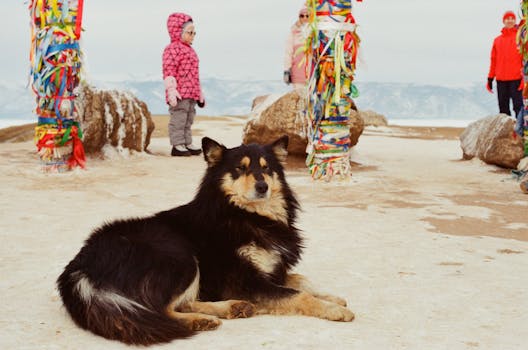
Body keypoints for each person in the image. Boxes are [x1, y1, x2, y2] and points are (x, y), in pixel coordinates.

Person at [162, 12, 205, 157]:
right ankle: (177, 144)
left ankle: (187, 142)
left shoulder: (191, 51)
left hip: (191, 93)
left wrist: (199, 92)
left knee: (189, 118)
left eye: (194, 33)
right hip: (180, 93)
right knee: (179, 118)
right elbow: (169, 70)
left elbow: (194, 75)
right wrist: (171, 90)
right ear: (178, 32)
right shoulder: (172, 49)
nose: (193, 35)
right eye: (189, 32)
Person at [487, 11, 523, 117]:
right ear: (504, 21)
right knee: (503, 109)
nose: (510, 20)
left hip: (516, 79)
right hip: (501, 79)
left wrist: (524, 78)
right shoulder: (497, 40)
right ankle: (506, 132)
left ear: (515, 20)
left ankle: (520, 131)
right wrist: (490, 78)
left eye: (512, 18)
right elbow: (493, 60)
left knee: (518, 107)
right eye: (507, 18)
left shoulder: (520, 38)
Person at [283, 6, 311, 90]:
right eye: (302, 16)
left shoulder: (315, 34)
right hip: (298, 74)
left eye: (307, 16)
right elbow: (288, 53)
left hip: (313, 74)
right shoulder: (293, 34)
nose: (305, 18)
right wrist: (286, 70)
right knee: (299, 99)